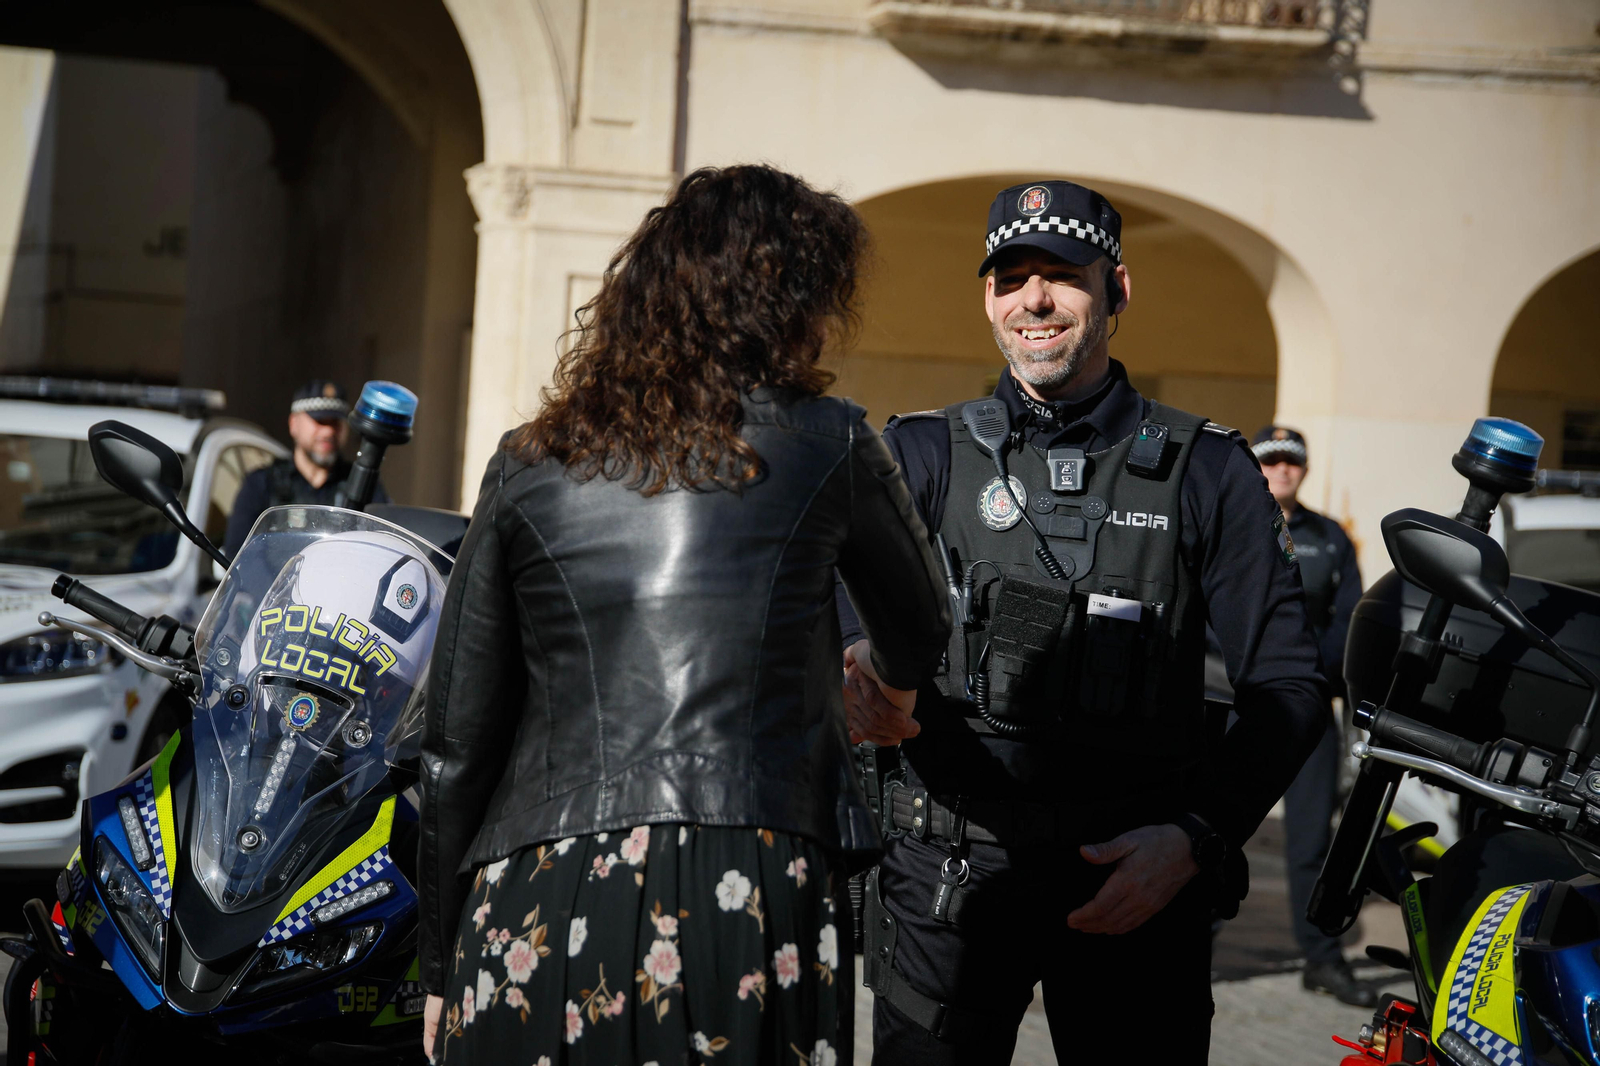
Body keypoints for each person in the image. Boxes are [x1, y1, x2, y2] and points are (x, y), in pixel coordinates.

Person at [416, 165, 951, 1065]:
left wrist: (438, 964)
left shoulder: (528, 462)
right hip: (749, 878)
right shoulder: (829, 438)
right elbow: (924, 626)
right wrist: (882, 689)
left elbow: (457, 742)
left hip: (538, 887)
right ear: (791, 302)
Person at [839, 179, 1328, 1064]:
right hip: (949, 882)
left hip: (1135, 880)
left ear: (1117, 292)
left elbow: (1288, 687)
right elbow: (837, 633)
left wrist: (1197, 837)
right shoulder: (916, 452)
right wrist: (863, 684)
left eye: (1062, 275)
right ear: (987, 298)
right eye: (1011, 277)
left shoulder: (1209, 469)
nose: (1034, 300)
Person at [1252, 425, 1370, 1006]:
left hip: (1306, 706)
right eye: (1270, 460)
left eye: (1291, 463)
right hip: (1233, 702)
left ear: (1304, 469)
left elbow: (1349, 624)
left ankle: (1322, 960)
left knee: (1311, 844)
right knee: (1207, 832)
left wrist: (1301, 668)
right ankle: (1191, 952)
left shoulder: (1330, 538)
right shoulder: (1232, 521)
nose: (1282, 471)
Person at [222, 380, 387, 557]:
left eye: (335, 423)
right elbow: (237, 556)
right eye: (320, 421)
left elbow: (383, 549)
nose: (328, 432)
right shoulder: (262, 484)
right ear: (294, 424)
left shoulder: (364, 486)